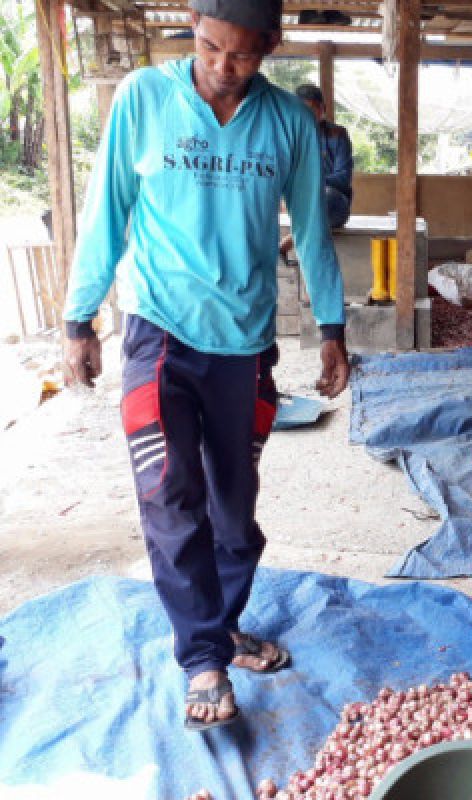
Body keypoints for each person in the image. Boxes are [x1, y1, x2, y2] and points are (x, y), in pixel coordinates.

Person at [61, 0, 350, 731]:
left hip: (245, 346)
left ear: (272, 47)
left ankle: (217, 627)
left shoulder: (288, 123)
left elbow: (314, 230)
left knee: (234, 514)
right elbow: (107, 210)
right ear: (192, 26)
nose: (224, 67)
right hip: (158, 336)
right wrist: (80, 318)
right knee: (169, 497)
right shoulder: (146, 99)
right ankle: (203, 661)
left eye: (244, 54)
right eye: (211, 46)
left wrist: (333, 328)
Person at [279, 83, 353, 265]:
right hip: (298, 206)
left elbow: (344, 177)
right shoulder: (287, 137)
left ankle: (284, 245)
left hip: (332, 205)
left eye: (312, 110)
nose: (307, 116)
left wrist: (309, 182)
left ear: (323, 110)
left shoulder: (338, 134)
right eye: (301, 110)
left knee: (325, 196)